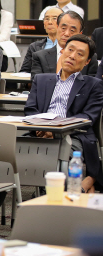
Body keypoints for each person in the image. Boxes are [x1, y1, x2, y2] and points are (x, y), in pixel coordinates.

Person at [25, 34, 103, 191]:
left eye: (80, 54)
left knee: (59, 159)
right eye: (70, 50)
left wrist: (56, 131)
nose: (72, 56)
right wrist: (42, 128)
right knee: (5, 151)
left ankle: (62, 199)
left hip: (73, 136)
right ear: (62, 51)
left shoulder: (93, 85)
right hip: (40, 133)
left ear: (87, 61)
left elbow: (87, 118)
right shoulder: (41, 80)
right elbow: (30, 110)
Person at [31, 11, 98, 78]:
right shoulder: (39, 56)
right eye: (63, 28)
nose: (66, 34)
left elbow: (91, 85)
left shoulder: (89, 58)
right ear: (57, 27)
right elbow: (38, 84)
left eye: (72, 30)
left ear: (79, 34)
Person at [20, 7, 63, 73]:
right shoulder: (34, 47)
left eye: (54, 18)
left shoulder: (68, 45)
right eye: (47, 19)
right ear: (43, 24)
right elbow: (25, 71)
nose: (50, 22)